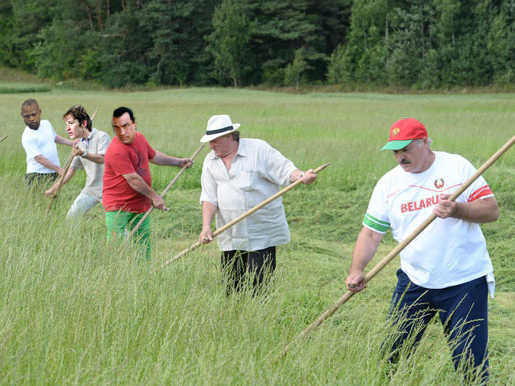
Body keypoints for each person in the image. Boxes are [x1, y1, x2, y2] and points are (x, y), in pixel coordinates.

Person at [345, 117, 499, 386]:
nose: (400, 157)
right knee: (392, 352)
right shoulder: (388, 184)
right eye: (395, 151)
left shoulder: (456, 166)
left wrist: (457, 210)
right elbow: (370, 234)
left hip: (463, 280)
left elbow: (491, 210)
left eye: (406, 148)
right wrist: (357, 270)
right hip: (415, 280)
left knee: (470, 362)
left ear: (425, 142)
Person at [198, 114, 317, 295]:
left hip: (261, 233)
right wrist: (206, 226)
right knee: (231, 286)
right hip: (230, 233)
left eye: (214, 141)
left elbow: (284, 169)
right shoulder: (210, 161)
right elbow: (209, 197)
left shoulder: (258, 149)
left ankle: (258, 317)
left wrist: (301, 176)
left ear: (229, 136)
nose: (211, 146)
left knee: (259, 286)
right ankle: (234, 317)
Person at [102, 106, 193, 258]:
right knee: (115, 246)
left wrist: (178, 162)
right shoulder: (115, 150)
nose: (122, 132)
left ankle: (143, 274)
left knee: (143, 246)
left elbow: (154, 156)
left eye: (126, 126)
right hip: (118, 206)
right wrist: (154, 197)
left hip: (140, 204)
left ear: (134, 124)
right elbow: (133, 179)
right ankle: (114, 276)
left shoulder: (140, 138)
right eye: (117, 128)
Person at [43, 105, 111, 218]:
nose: (67, 128)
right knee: (71, 218)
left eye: (71, 123)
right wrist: (53, 189)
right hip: (91, 189)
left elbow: (102, 158)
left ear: (83, 124)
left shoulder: (102, 137)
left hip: (110, 189)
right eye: (66, 124)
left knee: (116, 225)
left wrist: (83, 153)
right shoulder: (79, 145)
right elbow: (69, 172)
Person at [21, 98, 76, 187]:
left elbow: (54, 137)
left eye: (34, 114)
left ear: (39, 112)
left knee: (55, 199)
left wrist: (72, 143)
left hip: (53, 173)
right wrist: (58, 169)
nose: (31, 118)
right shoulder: (27, 135)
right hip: (36, 175)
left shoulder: (46, 124)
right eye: (27, 116)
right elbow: (39, 158)